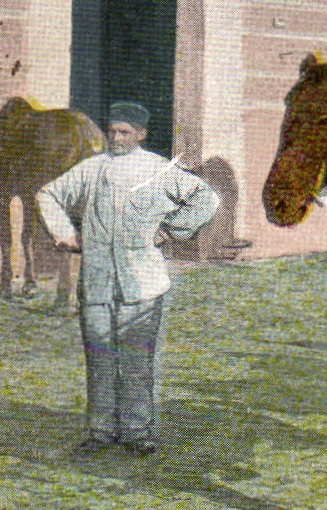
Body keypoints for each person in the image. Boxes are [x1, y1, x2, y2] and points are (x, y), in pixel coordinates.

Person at [37, 101, 219, 456]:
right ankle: (101, 432)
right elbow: (48, 194)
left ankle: (138, 432)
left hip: (143, 283)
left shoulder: (159, 170)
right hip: (97, 282)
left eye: (125, 132)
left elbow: (206, 198)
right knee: (100, 357)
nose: (117, 137)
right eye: (113, 131)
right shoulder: (91, 168)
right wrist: (66, 234)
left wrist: (170, 230)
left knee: (136, 361)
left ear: (141, 134)